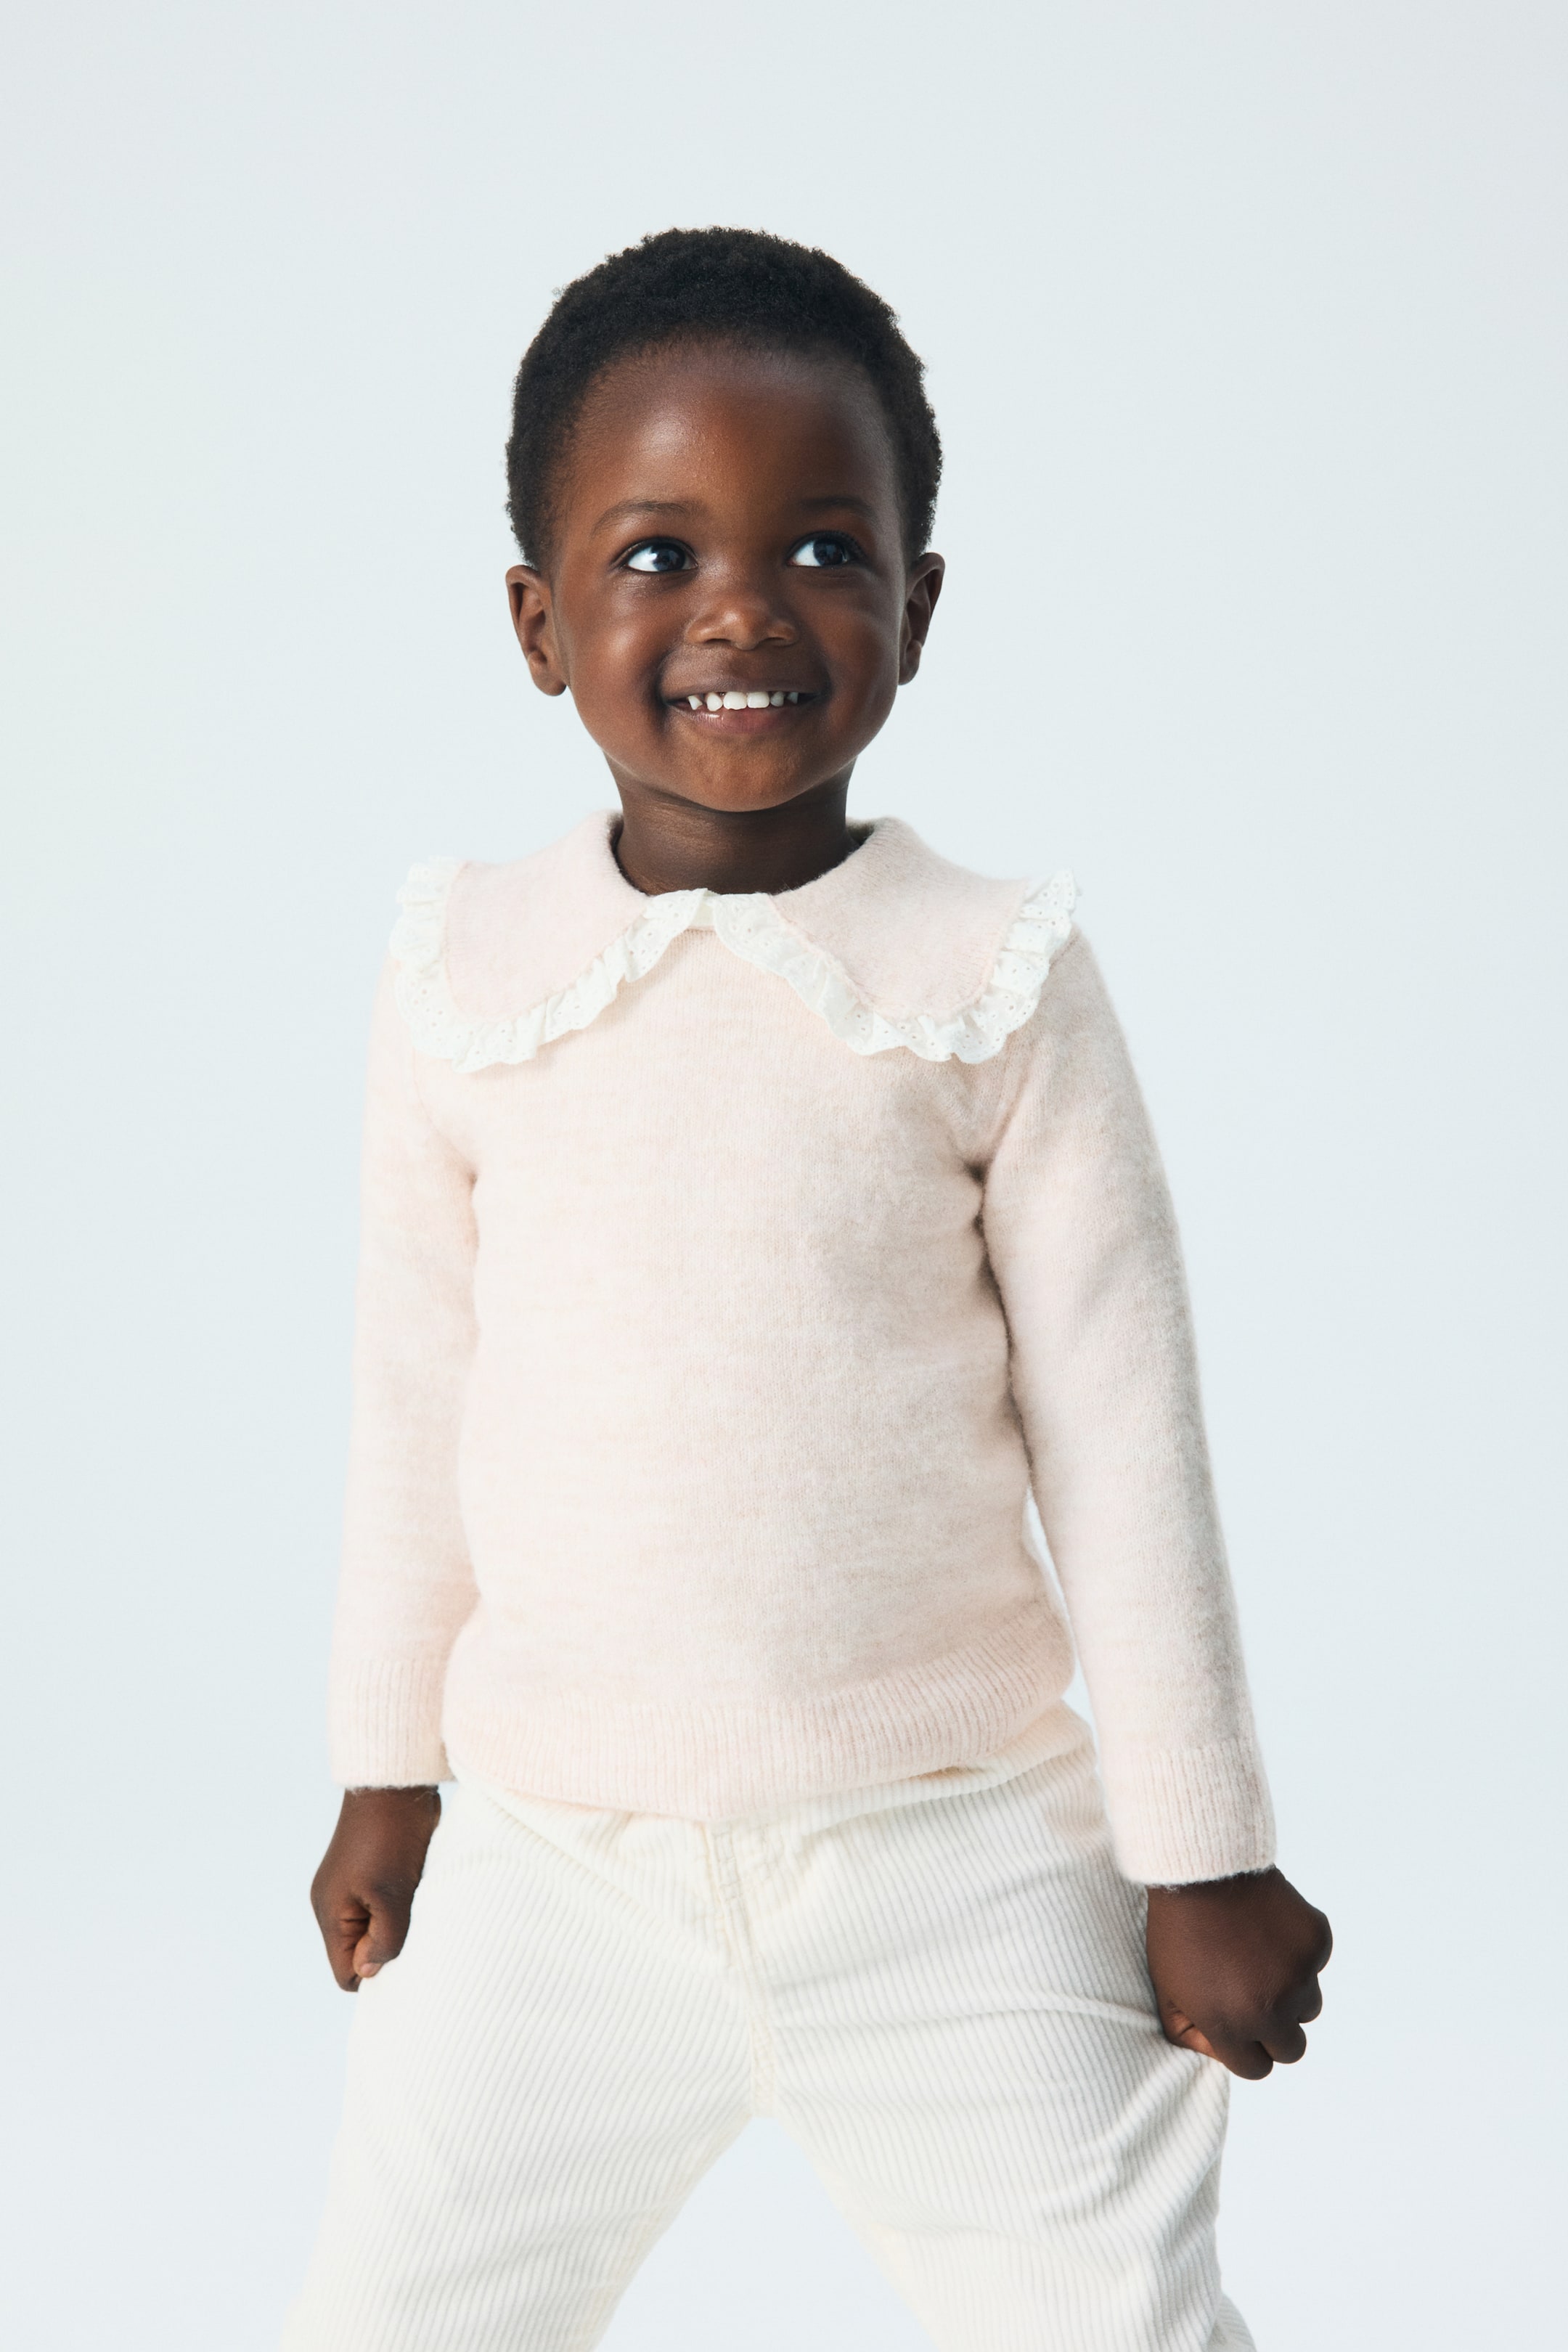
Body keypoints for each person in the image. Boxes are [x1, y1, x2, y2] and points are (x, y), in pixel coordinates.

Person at [283, 227, 1331, 2352]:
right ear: (540, 621)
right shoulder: (465, 973)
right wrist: (387, 1769)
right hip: (554, 1869)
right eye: (657, 555)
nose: (743, 608)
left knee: (1115, 2319)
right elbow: (415, 1396)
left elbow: (1123, 1431)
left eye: (824, 550)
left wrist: (1200, 1848)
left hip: (960, 1862)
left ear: (918, 608)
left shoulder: (992, 977)